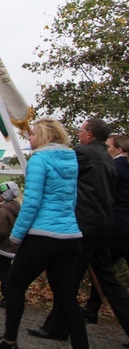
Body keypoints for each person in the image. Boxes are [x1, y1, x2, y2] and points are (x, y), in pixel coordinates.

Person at [0, 118, 87, 349]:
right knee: (66, 297)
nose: (28, 138)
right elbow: (72, 199)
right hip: (70, 236)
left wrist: (17, 235)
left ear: (44, 136)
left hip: (43, 235)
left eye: (32, 134)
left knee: (14, 286)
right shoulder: (71, 159)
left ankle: (9, 339)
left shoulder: (39, 159)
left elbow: (32, 201)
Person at [29, 118, 129, 343]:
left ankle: (58, 328)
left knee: (68, 279)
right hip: (104, 224)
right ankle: (57, 326)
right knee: (108, 280)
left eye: (81, 130)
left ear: (90, 134)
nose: (79, 134)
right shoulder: (107, 158)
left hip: (84, 223)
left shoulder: (82, 154)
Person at [83, 134, 129, 321]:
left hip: (115, 227)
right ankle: (91, 308)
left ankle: (92, 309)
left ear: (119, 150)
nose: (105, 150)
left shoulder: (114, 168)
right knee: (103, 270)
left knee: (102, 269)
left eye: (108, 147)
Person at [0, 181, 21, 309]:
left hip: (4, 248)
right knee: (11, 273)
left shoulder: (3, 211)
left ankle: (8, 298)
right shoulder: (17, 207)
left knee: (3, 272)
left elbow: (0, 231)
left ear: (5, 196)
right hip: (15, 248)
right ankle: (13, 296)